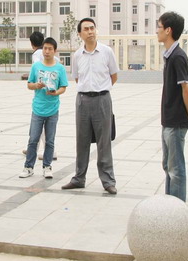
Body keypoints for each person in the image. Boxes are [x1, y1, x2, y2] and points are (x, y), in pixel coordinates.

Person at [63, 18, 119, 195]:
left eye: (92, 28)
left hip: (102, 99)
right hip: (83, 101)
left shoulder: (106, 52)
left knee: (104, 142)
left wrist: (100, 89)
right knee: (82, 140)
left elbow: (114, 76)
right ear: (80, 34)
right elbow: (77, 77)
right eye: (86, 29)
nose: (90, 31)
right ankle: (79, 178)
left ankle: (108, 181)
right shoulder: (77, 55)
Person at [157, 12, 188, 202]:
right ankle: (169, 205)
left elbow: (186, 89)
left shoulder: (178, 57)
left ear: (168, 30)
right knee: (168, 166)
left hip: (176, 121)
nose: (156, 31)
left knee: (176, 169)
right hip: (168, 120)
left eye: (159, 27)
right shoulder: (170, 55)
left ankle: (178, 208)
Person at [19, 37, 68, 179]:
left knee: (50, 141)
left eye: (50, 49)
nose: (47, 51)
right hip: (37, 109)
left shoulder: (60, 68)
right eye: (45, 48)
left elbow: (63, 87)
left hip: (53, 109)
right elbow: (29, 85)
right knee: (33, 139)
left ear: (55, 51)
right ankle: (28, 167)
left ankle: (47, 166)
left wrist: (55, 92)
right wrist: (36, 85)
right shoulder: (36, 67)